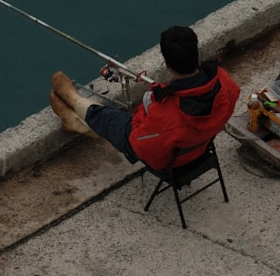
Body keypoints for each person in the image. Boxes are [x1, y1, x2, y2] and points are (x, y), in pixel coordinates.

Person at [50, 25, 240, 170]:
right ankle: (76, 121)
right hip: (200, 146)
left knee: (109, 118)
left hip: (171, 159)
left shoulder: (165, 113)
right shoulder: (225, 82)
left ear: (166, 64)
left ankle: (77, 104)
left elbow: (139, 144)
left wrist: (145, 111)